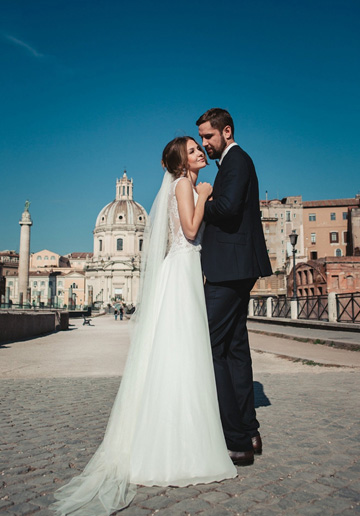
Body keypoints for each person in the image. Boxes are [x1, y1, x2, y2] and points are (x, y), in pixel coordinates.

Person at [52, 136, 236, 516]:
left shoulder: (170, 190)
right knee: (184, 354)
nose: (199, 151)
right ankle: (182, 446)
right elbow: (187, 231)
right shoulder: (187, 185)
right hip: (182, 268)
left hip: (180, 270)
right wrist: (204, 195)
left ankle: (168, 440)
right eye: (192, 149)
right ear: (180, 162)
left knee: (175, 353)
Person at [196, 108, 272, 466]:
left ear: (226, 131)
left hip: (230, 269)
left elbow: (226, 209)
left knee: (207, 345)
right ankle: (250, 431)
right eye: (201, 138)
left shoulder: (236, 160)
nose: (204, 144)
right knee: (234, 349)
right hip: (236, 266)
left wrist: (200, 200)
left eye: (208, 137)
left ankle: (237, 441)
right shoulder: (231, 163)